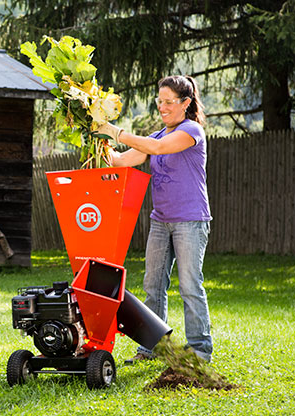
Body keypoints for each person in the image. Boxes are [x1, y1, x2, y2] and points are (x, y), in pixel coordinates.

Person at [97, 75, 213, 363]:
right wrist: (97, 138)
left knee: (189, 285)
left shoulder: (191, 131)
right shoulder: (158, 135)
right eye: (159, 101)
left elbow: (158, 149)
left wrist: (115, 131)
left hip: (190, 220)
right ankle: (152, 347)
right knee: (153, 285)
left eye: (169, 102)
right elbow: (123, 161)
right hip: (161, 221)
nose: (163, 107)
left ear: (185, 103)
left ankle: (199, 349)